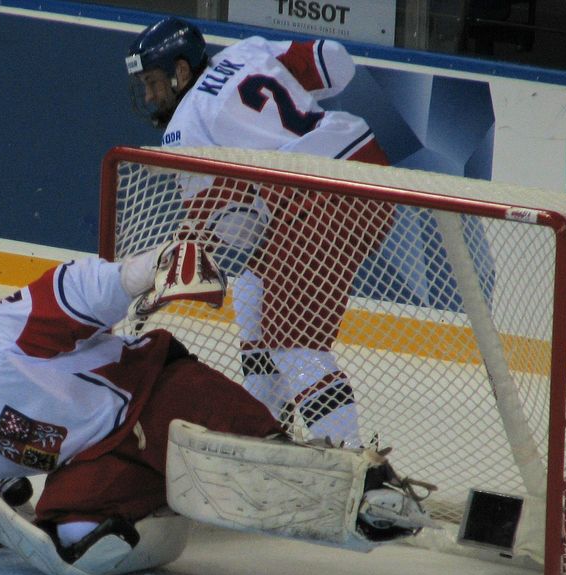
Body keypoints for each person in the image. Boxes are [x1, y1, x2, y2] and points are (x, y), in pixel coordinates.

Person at [0, 242, 432, 575]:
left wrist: (150, 269)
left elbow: (76, 291)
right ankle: (161, 513)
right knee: (70, 534)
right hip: (100, 458)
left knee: (265, 461)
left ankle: (368, 491)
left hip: (155, 390)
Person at [123, 17, 393, 447]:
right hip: (366, 167)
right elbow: (336, 62)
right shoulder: (246, 51)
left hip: (316, 199)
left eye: (154, 82)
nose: (151, 95)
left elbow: (235, 227)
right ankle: (267, 434)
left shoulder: (185, 128)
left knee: (293, 343)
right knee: (255, 283)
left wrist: (182, 253)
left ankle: (354, 465)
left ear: (181, 71)